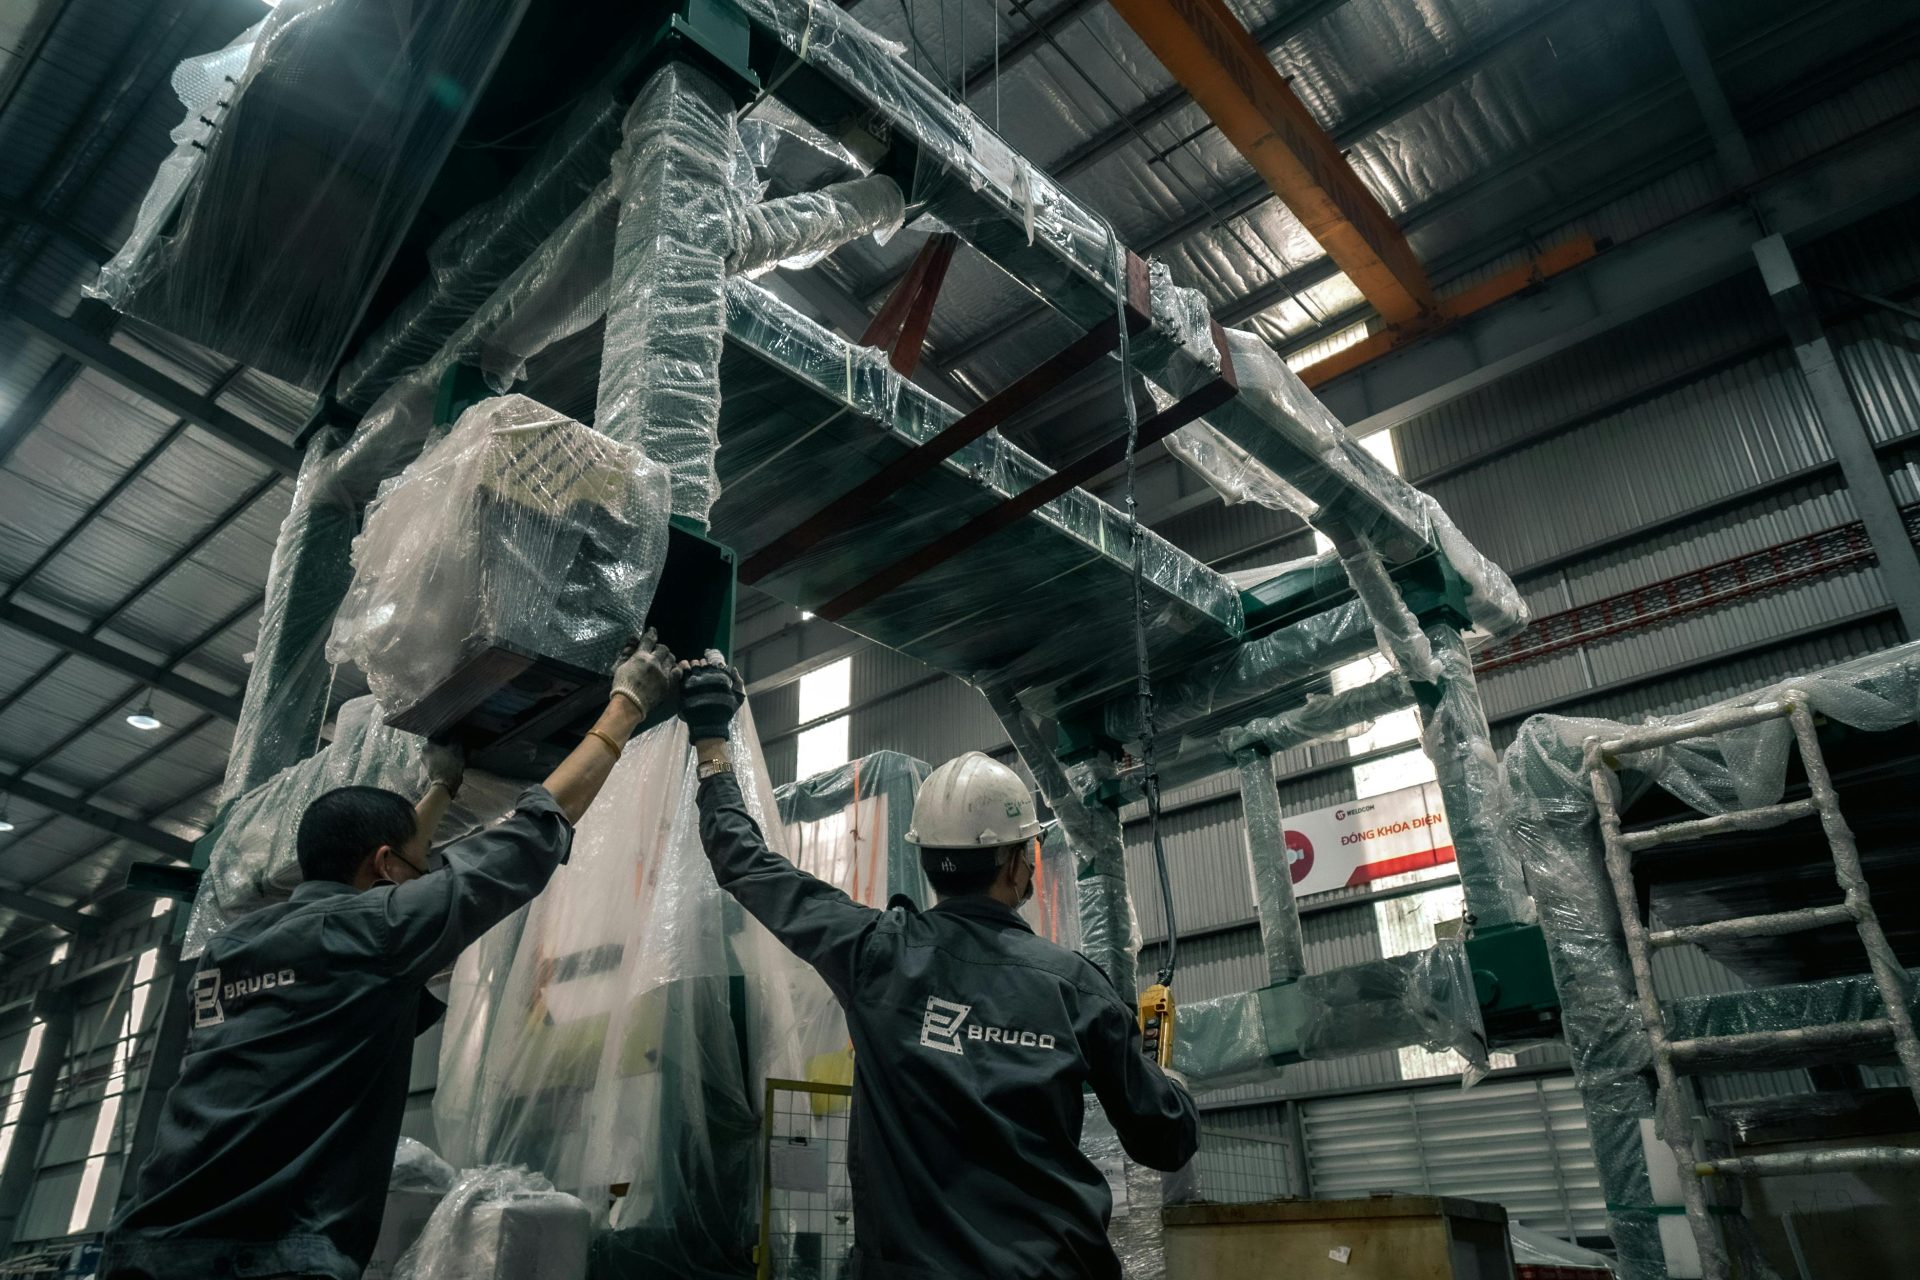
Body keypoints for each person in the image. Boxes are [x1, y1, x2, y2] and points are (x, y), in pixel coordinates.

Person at [100, 632, 680, 1280]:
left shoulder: (228, 953)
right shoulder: (370, 933)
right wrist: (627, 702)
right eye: (416, 867)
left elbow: (383, 878)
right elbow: (527, 841)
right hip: (270, 1260)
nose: (421, 877)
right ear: (382, 868)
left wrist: (439, 790)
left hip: (143, 1248)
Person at [677, 654, 1198, 1280]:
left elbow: (746, 865)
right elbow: (1164, 1140)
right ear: (1017, 863)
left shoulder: (873, 952)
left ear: (925, 858)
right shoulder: (1075, 987)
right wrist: (1169, 1084)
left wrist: (712, 735)